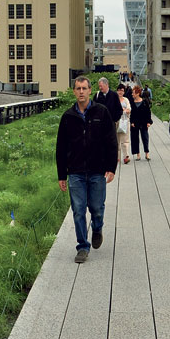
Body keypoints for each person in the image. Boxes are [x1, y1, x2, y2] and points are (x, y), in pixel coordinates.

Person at [56, 76, 118, 263]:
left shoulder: (102, 112)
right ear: (74, 91)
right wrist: (61, 175)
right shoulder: (68, 117)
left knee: (97, 208)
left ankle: (97, 228)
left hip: (97, 170)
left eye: (84, 88)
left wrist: (111, 167)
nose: (81, 92)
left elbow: (111, 141)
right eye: (78, 88)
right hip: (75, 171)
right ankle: (82, 246)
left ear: (90, 90)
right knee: (78, 210)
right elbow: (61, 147)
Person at [129, 84, 153, 161]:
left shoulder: (144, 102)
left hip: (143, 122)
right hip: (135, 122)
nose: (132, 94)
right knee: (135, 138)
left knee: (145, 137)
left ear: (137, 93)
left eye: (133, 93)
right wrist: (131, 122)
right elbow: (131, 114)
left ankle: (147, 153)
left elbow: (148, 112)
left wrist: (149, 122)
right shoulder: (131, 102)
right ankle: (138, 154)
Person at [116, 84, 132, 164]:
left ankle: (126, 156)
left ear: (124, 92)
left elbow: (129, 109)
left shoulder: (126, 100)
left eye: (122, 90)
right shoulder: (114, 99)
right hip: (116, 121)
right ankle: (117, 157)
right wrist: (122, 110)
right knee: (116, 140)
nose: (120, 92)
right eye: (119, 90)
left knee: (125, 139)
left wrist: (123, 110)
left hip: (125, 121)